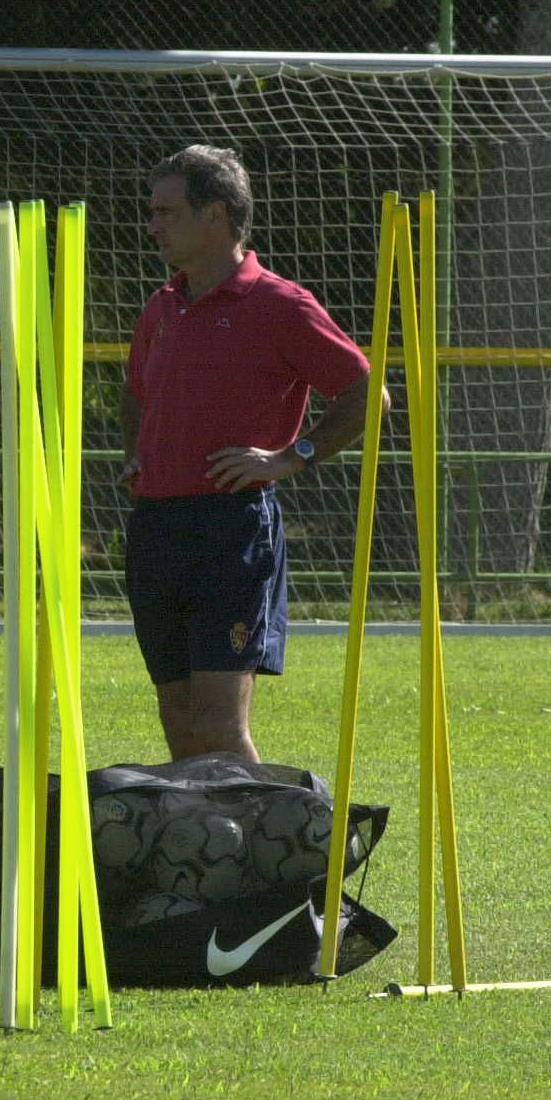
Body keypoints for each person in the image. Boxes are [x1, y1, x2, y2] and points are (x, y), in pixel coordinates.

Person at [120, 144, 388, 763]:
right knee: (180, 721)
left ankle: (259, 854)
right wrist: (136, 452)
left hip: (231, 527)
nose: (151, 224)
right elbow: (135, 392)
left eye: (166, 211)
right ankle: (205, 853)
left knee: (218, 725)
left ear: (214, 215)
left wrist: (292, 456)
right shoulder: (161, 306)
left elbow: (367, 392)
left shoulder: (280, 304)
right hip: (156, 526)